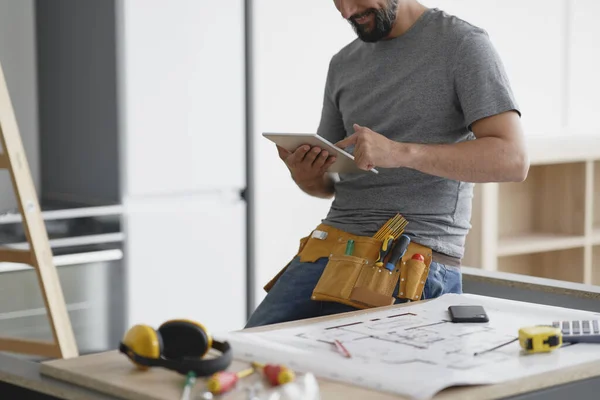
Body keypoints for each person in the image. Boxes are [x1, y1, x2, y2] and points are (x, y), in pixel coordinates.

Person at [245, 0, 529, 328]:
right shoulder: (343, 63)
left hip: (411, 260)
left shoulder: (463, 45)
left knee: (346, 375)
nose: (346, 12)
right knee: (246, 355)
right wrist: (305, 174)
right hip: (325, 251)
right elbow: (325, 185)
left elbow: (513, 160)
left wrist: (400, 153)